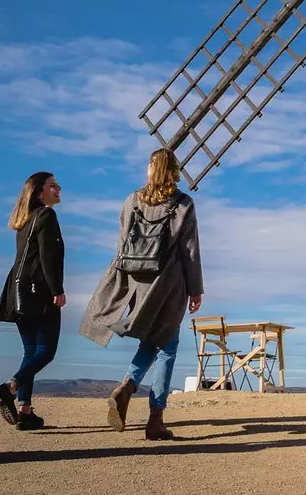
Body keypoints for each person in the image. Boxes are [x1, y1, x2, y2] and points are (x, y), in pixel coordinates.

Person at [80, 148, 203, 440]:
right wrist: (196, 289)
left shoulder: (131, 201)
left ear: (151, 168)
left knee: (151, 340)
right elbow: (190, 252)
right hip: (169, 285)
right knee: (168, 348)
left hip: (138, 282)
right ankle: (155, 418)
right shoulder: (183, 204)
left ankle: (126, 387)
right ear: (174, 170)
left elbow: (123, 245)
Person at [0, 172, 66, 431]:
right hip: (39, 290)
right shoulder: (46, 215)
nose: (58, 188)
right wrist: (57, 290)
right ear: (38, 192)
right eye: (52, 185)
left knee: (30, 351)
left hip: (16, 290)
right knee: (46, 351)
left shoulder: (24, 220)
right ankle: (10, 388)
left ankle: (25, 411)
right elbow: (47, 257)